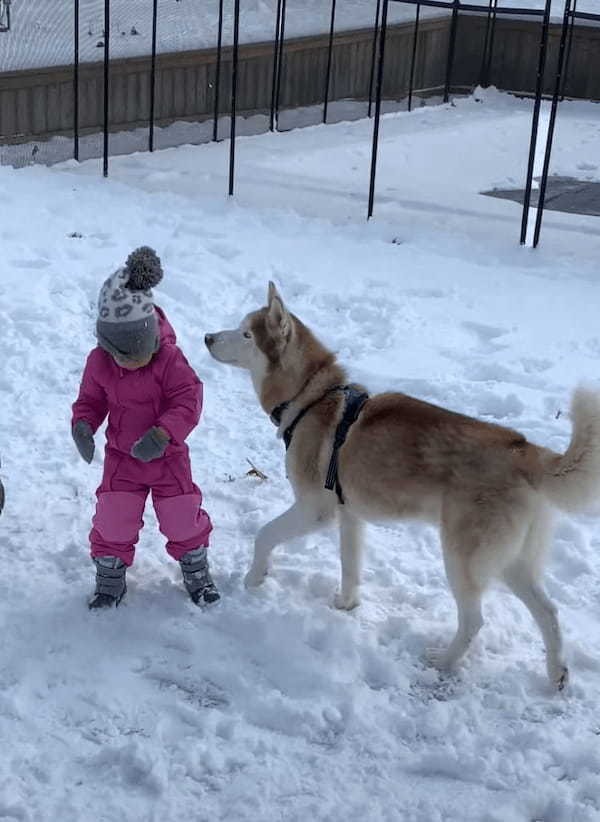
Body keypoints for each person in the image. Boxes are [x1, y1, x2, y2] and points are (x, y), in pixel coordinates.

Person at [72, 247, 219, 609]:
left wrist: (164, 433)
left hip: (168, 458)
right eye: (124, 354)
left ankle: (196, 569)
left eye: (142, 351)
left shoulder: (170, 360)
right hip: (122, 460)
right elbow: (91, 399)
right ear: (106, 345)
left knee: (182, 518)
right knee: (113, 520)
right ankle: (109, 575)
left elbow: (188, 398)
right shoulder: (99, 363)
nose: (134, 361)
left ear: (154, 335)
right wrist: (83, 424)